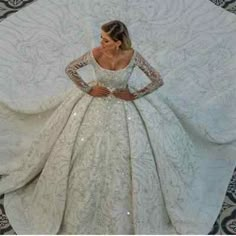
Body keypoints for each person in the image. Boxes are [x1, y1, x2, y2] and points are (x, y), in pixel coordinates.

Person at [0, 20, 234, 235]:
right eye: (101, 38)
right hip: (94, 104)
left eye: (106, 40)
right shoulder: (95, 54)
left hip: (125, 107)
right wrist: (88, 89)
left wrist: (134, 94)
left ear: (118, 42)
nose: (101, 43)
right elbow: (70, 69)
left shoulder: (133, 56)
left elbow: (157, 79)